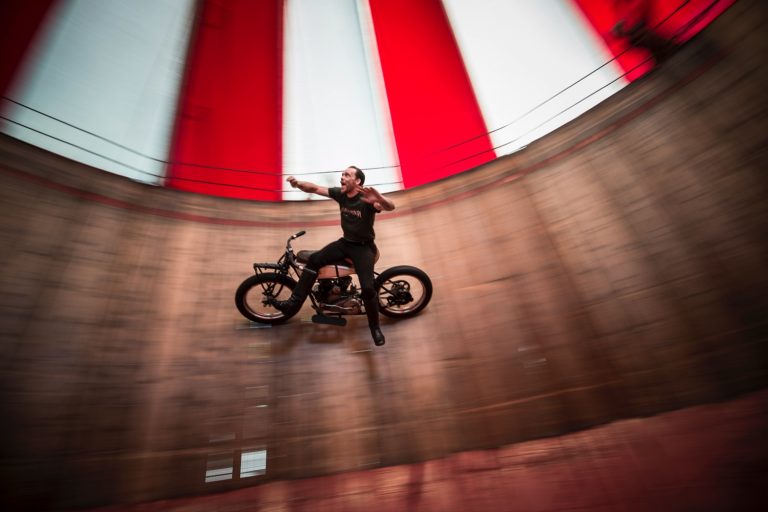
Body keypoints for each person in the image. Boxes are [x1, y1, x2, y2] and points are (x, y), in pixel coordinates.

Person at [272, 166, 395, 346]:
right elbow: (315, 188)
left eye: (347, 175)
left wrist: (380, 198)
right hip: (345, 243)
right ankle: (293, 304)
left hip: (364, 249)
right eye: (342, 174)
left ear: (358, 181)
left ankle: (375, 328)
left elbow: (390, 206)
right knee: (314, 260)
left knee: (368, 290)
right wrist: (297, 184)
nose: (342, 177)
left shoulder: (367, 198)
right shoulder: (341, 194)